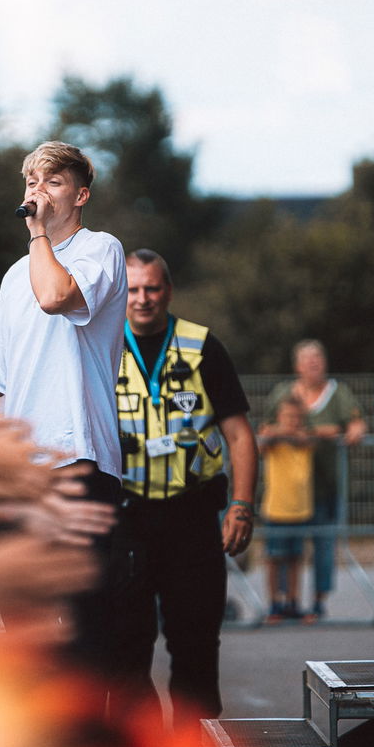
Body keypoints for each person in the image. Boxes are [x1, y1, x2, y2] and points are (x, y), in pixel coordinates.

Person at [0, 141, 127, 677]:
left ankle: (90, 746)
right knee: (21, 625)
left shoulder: (100, 249)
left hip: (79, 460)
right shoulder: (14, 277)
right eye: (31, 182)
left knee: (87, 625)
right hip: (20, 473)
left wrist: (37, 234)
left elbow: (56, 296)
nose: (37, 191)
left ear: (80, 194)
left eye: (52, 182)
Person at [110, 248, 255, 723]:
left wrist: (242, 506)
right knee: (126, 650)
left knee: (195, 646)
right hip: (125, 519)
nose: (143, 298)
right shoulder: (101, 344)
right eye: (132, 289)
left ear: (168, 291)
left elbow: (238, 434)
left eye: (152, 288)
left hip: (192, 517)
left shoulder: (202, 346)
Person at [263, 339, 365, 622]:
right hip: (287, 490)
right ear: (297, 365)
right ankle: (284, 602)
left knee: (322, 546)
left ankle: (318, 602)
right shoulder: (283, 393)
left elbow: (355, 421)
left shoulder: (339, 392)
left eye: (318, 359)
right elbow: (266, 428)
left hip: (325, 484)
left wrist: (354, 429)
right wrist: (314, 433)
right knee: (284, 550)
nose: (313, 364)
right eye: (308, 360)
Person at [257, 393, 314, 622]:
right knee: (273, 559)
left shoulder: (304, 438)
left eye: (296, 417)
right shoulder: (272, 438)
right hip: (275, 508)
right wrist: (274, 432)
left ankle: (292, 602)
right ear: (279, 416)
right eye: (288, 416)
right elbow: (261, 444)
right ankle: (273, 605)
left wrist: (283, 432)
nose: (292, 421)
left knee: (295, 559)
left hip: (300, 509)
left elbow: (307, 440)